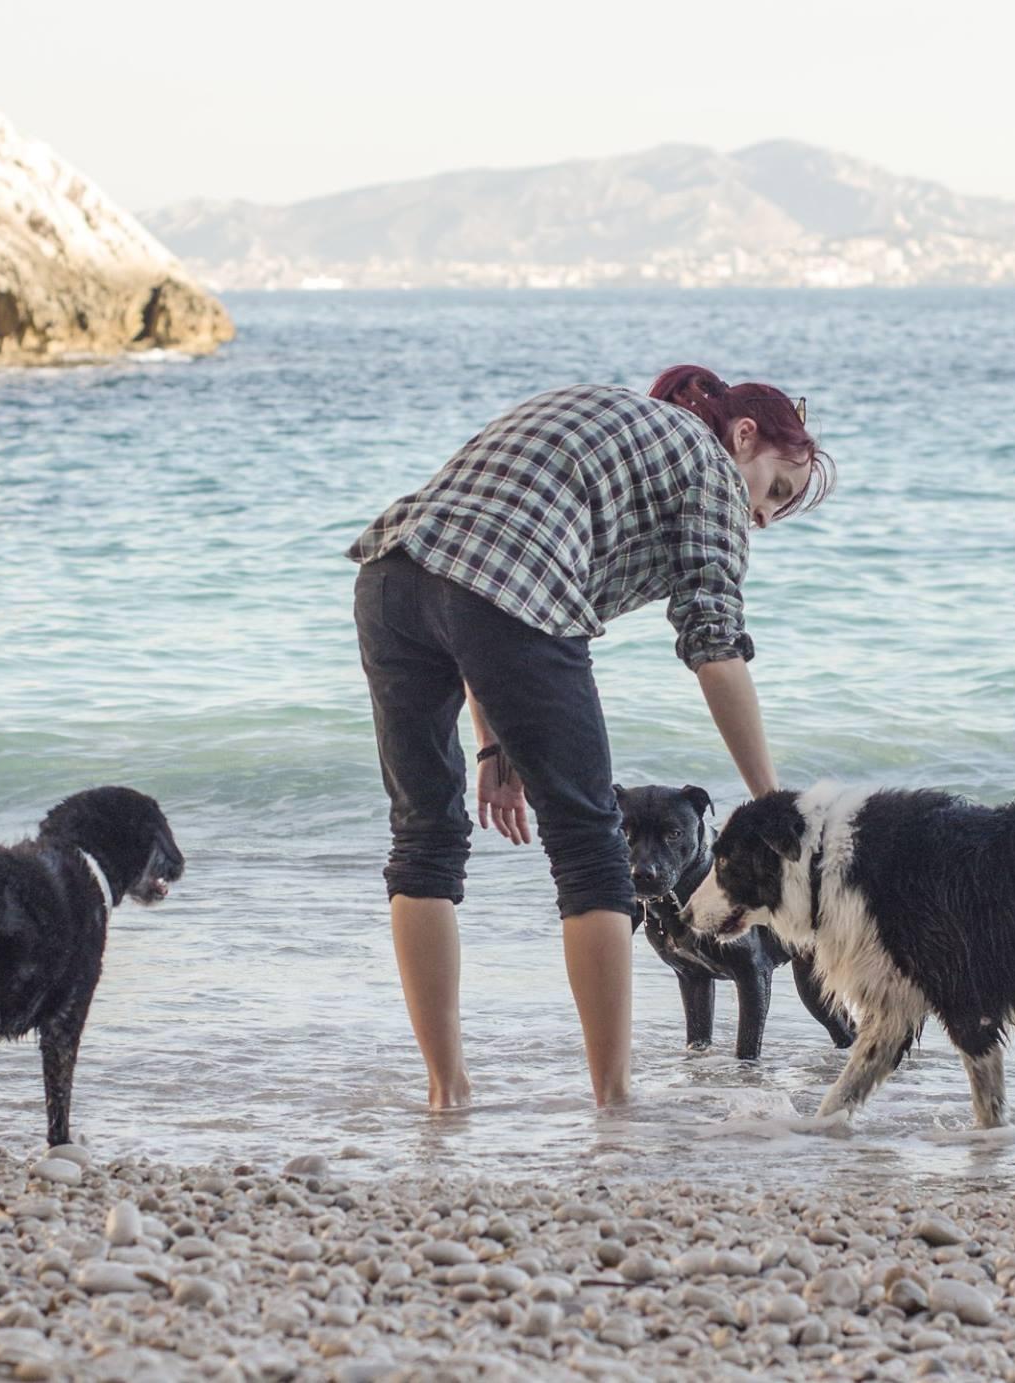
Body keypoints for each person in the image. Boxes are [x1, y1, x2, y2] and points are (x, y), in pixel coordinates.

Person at [347, 365, 832, 1110]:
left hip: (391, 575)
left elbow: (474, 549)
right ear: (744, 436)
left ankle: (447, 1092)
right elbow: (713, 645)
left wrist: (493, 742)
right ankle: (614, 1101)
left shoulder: (607, 417)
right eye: (774, 489)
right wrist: (771, 804)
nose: (761, 516)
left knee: (423, 839)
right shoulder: (708, 466)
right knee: (591, 851)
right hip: (500, 593)